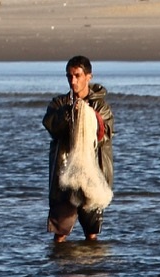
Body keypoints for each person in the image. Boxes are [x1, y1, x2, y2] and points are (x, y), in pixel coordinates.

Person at [43, 55, 114, 243]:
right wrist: (68, 113)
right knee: (60, 233)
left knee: (91, 234)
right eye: (69, 76)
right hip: (65, 175)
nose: (72, 81)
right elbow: (51, 125)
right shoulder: (59, 104)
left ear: (88, 77)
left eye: (77, 75)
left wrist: (88, 115)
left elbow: (105, 135)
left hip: (93, 175)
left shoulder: (101, 106)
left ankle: (92, 269)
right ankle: (59, 269)